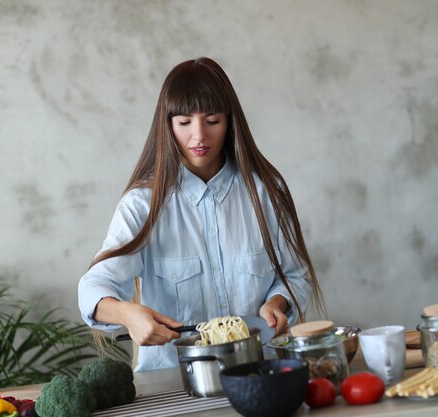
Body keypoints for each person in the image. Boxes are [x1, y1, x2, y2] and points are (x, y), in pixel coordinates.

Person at [78, 57, 325, 371]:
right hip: (173, 382)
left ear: (230, 121)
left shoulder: (266, 191)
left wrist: (278, 303)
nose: (199, 137)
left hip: (261, 371)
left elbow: (296, 275)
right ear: (167, 126)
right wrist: (127, 314)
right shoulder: (142, 204)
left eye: (212, 120)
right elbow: (93, 287)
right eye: (184, 123)